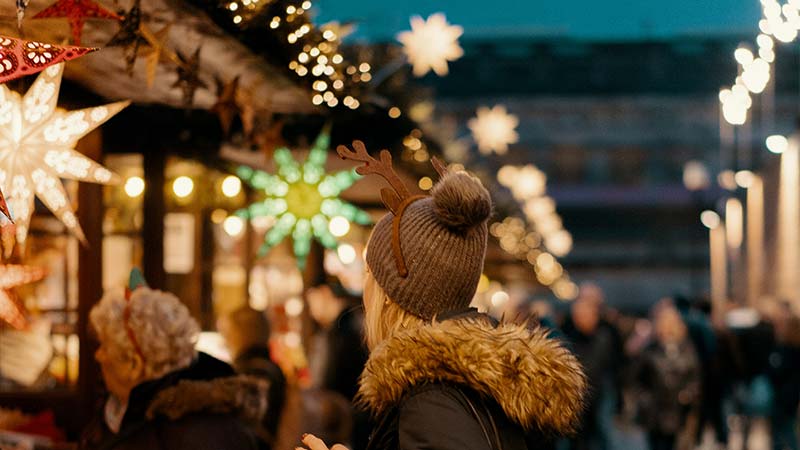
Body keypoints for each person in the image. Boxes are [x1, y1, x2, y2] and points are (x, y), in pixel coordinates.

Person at [298, 146, 587, 450]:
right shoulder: (469, 386)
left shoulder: (431, 401)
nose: (364, 287)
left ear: (390, 294)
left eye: (370, 273)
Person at [80, 270, 266, 450]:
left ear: (134, 364)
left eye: (104, 346)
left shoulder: (186, 437)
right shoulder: (126, 413)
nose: (98, 355)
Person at [561, 284, 623, 450]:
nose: (581, 318)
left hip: (600, 392)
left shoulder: (607, 332)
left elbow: (614, 362)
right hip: (577, 394)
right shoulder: (568, 331)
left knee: (602, 434)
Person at [633, 302, 700, 450]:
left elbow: (695, 376)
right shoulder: (650, 350)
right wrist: (645, 400)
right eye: (663, 323)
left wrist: (688, 394)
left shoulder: (687, 348)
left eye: (670, 323)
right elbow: (638, 379)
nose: (667, 327)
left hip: (679, 410)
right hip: (655, 412)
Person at [218, 305, 287, 447]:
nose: (224, 341)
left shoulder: (253, 372)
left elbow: (248, 430)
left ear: (240, 334)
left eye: (227, 333)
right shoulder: (268, 367)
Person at [766, 302, 800, 450]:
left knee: (782, 429)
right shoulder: (795, 348)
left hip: (782, 395)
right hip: (793, 394)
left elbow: (776, 371)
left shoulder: (785, 349)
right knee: (787, 427)